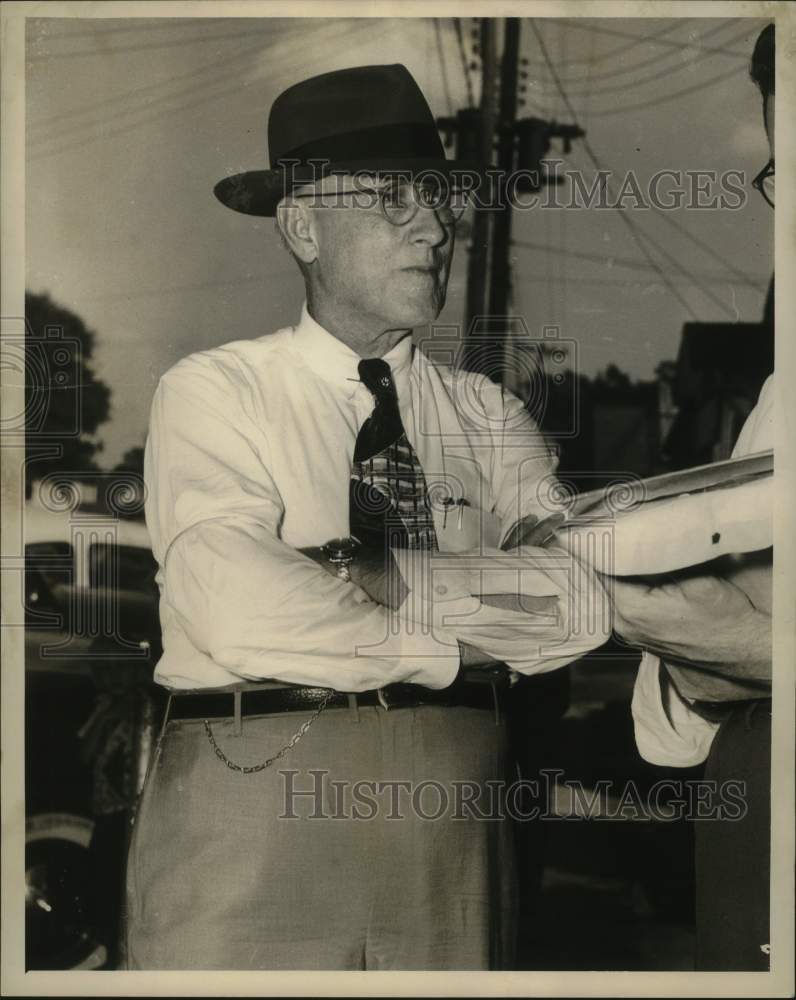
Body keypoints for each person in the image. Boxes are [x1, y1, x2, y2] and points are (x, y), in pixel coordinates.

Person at [124, 63, 606, 971]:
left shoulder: (487, 414)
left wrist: (392, 577)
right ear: (303, 224)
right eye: (393, 199)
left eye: (439, 199)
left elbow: (577, 601)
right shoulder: (214, 390)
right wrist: (453, 648)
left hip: (455, 825)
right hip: (254, 804)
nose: (435, 227)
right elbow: (232, 601)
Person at [613, 24, 775, 971]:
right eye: (777, 171)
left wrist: (746, 647)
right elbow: (681, 723)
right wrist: (693, 646)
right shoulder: (778, 396)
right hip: (750, 819)